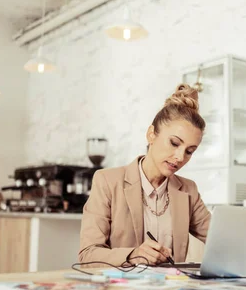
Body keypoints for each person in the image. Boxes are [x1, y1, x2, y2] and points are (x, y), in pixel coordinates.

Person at [78, 84, 211, 266]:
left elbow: (222, 240)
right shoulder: (107, 181)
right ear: (151, 135)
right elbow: (88, 255)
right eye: (174, 143)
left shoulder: (188, 190)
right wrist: (133, 255)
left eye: (189, 151)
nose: (180, 157)